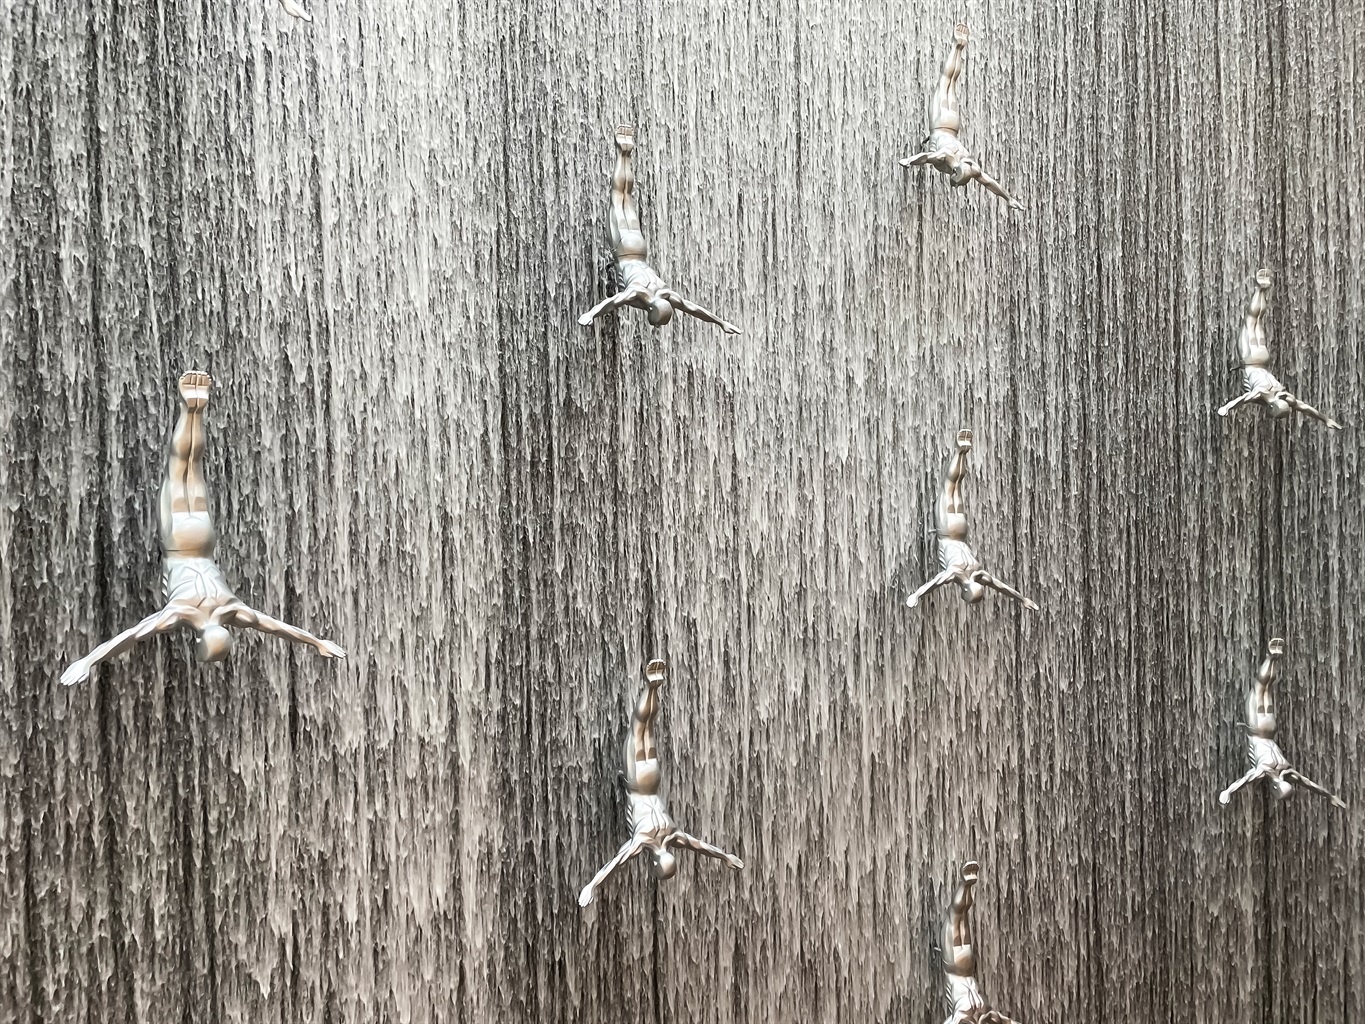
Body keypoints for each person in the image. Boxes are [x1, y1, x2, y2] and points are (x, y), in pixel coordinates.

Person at [60, 371, 345, 686]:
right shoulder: (178, 613)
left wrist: (317, 641)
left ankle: (196, 410)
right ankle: (188, 408)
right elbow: (130, 637)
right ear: (198, 640)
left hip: (204, 540)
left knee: (192, 469)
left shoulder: (236, 611)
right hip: (177, 542)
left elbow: (278, 627)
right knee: (177, 468)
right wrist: (88, 661)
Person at [578, 659, 743, 906]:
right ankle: (650, 687)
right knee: (638, 728)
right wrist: (592, 885)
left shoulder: (674, 835)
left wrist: (725, 856)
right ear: (655, 862)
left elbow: (701, 846)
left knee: (647, 728)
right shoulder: (642, 840)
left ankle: (653, 689)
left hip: (652, 778)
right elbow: (614, 863)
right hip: (636, 780)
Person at [577, 125, 742, 334]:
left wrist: (721, 323)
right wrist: (591, 314)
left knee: (626, 197)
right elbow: (612, 302)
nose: (655, 325)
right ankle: (622, 152)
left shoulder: (666, 294)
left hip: (639, 248)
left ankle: (626, 154)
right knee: (618, 196)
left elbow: (693, 308)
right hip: (622, 248)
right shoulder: (638, 293)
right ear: (651, 309)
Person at [907, 430, 1038, 611]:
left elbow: (1001, 586)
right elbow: (933, 583)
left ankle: (962, 453)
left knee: (955, 486)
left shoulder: (980, 573)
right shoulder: (955, 573)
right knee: (950, 486)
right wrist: (916, 595)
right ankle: (960, 451)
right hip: (947, 530)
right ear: (966, 590)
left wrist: (1022, 598)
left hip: (961, 530)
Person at [900, 24, 1024, 212]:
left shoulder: (970, 164)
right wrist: (909, 160)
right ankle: (956, 45)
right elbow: (925, 158)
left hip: (953, 125)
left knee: (951, 83)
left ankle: (959, 48)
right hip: (940, 123)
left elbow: (989, 182)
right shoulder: (945, 158)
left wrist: (1009, 198)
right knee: (945, 81)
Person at [1218, 639, 1346, 809]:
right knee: (1260, 688)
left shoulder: (1289, 772)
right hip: (1257, 729)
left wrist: (1329, 795)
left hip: (1270, 728)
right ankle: (1270, 657)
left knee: (1266, 689)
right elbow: (1243, 781)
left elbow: (1309, 783)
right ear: (1275, 788)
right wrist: (1228, 792)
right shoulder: (1263, 770)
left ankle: (1273, 659)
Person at [1217, 270, 1341, 428]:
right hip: (1250, 359)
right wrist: (1226, 408)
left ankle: (1262, 290)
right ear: (1270, 407)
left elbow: (1305, 408)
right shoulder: (1260, 393)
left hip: (1263, 360)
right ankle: (1259, 289)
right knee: (1251, 321)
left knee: (1257, 321)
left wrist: (1326, 419)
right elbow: (1241, 400)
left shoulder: (1285, 395)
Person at [941, 862, 1021, 1024]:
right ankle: (965, 884)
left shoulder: (965, 1016)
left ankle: (965, 884)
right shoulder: (984, 1013)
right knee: (958, 917)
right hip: (964, 970)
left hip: (959, 970)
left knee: (957, 917)